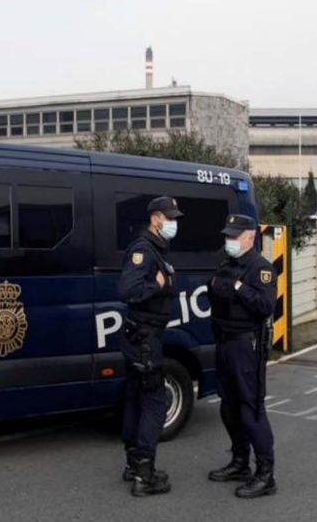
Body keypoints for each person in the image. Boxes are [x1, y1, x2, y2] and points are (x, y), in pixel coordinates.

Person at [206, 214, 277, 499]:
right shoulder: (227, 265)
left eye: (234, 236)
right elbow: (213, 293)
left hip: (245, 346)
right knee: (229, 407)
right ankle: (239, 462)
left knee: (251, 409)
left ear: (250, 237)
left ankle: (266, 474)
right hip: (224, 342)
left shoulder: (261, 269)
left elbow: (265, 305)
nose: (229, 241)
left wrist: (237, 288)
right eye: (227, 236)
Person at [116, 196, 182, 497]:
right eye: (169, 217)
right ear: (155, 218)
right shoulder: (145, 249)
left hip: (141, 336)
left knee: (135, 398)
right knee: (154, 401)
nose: (173, 222)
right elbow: (127, 289)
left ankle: (133, 463)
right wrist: (157, 284)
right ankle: (145, 473)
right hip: (144, 339)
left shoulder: (157, 248)